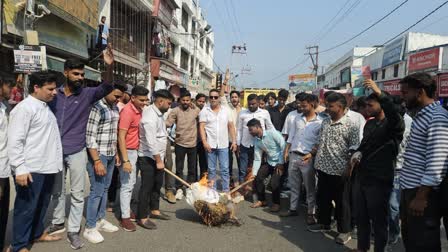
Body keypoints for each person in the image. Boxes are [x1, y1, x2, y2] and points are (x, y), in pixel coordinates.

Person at [48, 47, 115, 249]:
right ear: (66, 72)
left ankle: (73, 231)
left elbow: (106, 87)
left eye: (82, 74)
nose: (79, 77)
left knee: (77, 193)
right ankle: (58, 221)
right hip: (54, 151)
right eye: (76, 74)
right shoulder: (53, 94)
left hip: (77, 150)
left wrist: (109, 66)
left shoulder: (87, 94)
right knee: (57, 191)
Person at [8, 71, 63, 252]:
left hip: (48, 167)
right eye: (50, 89)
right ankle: (19, 245)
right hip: (31, 168)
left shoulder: (44, 106)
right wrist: (20, 168)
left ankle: (37, 234)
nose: (54, 93)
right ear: (36, 87)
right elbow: (15, 140)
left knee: (42, 204)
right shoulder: (24, 108)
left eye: (55, 89)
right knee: (26, 209)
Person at [349, 80, 404, 252]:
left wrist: (379, 92)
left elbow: (394, 115)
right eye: (365, 106)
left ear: (382, 104)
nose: (367, 109)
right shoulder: (370, 123)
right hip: (362, 177)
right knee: (362, 218)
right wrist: (357, 153)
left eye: (371, 105)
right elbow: (364, 145)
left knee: (379, 221)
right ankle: (362, 248)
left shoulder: (394, 124)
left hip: (379, 180)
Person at [399, 73, 448, 252]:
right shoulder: (421, 116)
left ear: (419, 92)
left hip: (421, 193)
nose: (402, 97)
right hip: (411, 189)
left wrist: (421, 197)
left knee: (423, 242)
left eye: (405, 92)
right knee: (411, 239)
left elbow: (437, 161)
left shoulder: (437, 117)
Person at [308, 93, 360, 245]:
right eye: (327, 105)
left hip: (340, 171)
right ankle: (324, 223)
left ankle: (345, 231)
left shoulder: (351, 125)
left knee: (342, 202)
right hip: (323, 168)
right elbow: (320, 141)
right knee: (323, 198)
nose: (327, 109)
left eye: (331, 106)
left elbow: (355, 148)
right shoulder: (325, 122)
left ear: (341, 107)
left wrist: (349, 167)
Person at [83, 84, 126, 243]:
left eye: (120, 96)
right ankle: (90, 227)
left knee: (106, 189)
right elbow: (89, 136)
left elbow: (112, 132)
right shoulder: (97, 107)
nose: (118, 99)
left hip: (110, 153)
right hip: (98, 155)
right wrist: (96, 160)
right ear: (107, 93)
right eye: (115, 96)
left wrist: (115, 152)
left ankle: (100, 220)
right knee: (97, 190)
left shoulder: (114, 108)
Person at [281, 94, 323, 225]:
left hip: (307, 158)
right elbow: (291, 136)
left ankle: (311, 213)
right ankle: (293, 209)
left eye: (304, 105)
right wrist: (286, 151)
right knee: (294, 185)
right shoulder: (297, 119)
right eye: (301, 105)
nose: (301, 108)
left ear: (312, 105)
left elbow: (319, 142)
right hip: (294, 155)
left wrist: (311, 154)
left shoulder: (320, 122)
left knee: (310, 187)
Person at [137, 89, 174, 229]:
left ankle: (154, 210)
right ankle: (142, 217)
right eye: (169, 103)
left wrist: (161, 158)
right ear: (160, 101)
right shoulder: (150, 117)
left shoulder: (159, 114)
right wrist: (158, 160)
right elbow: (151, 142)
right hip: (148, 158)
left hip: (158, 156)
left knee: (157, 184)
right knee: (146, 187)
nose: (169, 106)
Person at [117, 85, 149, 232]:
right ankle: (124, 218)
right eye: (141, 100)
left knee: (131, 183)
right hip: (128, 152)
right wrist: (125, 160)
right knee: (127, 185)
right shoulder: (127, 112)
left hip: (135, 151)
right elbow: (121, 137)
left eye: (145, 100)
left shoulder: (140, 110)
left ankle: (126, 209)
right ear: (133, 97)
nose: (144, 103)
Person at [199, 89, 237, 193]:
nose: (213, 99)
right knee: (211, 170)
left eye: (215, 97)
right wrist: (204, 142)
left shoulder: (226, 110)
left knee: (225, 169)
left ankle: (226, 191)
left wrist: (234, 141)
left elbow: (231, 126)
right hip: (210, 145)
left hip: (223, 145)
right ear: (209, 98)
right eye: (211, 97)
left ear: (219, 98)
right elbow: (201, 127)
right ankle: (212, 191)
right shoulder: (205, 111)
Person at [165, 90, 200, 202]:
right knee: (179, 168)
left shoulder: (196, 110)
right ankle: (179, 188)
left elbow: (203, 123)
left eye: (187, 100)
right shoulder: (175, 111)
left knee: (192, 168)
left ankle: (190, 188)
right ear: (180, 100)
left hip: (193, 143)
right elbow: (168, 123)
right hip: (180, 143)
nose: (185, 102)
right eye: (183, 100)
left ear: (191, 100)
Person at [388, 99, 413, 245]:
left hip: (399, 170)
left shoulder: (410, 126)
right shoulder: (384, 124)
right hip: (384, 169)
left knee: (393, 205)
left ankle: (394, 232)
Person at [237, 94, 274, 188]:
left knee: (256, 169)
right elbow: (239, 130)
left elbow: (270, 127)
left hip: (259, 145)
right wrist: (237, 144)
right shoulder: (242, 113)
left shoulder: (264, 113)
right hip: (244, 145)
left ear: (258, 103)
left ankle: (255, 189)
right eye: (249, 104)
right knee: (243, 169)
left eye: (253, 104)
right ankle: (242, 189)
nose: (251, 106)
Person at [248, 119, 285, 211]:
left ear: (257, 127)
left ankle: (276, 203)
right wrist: (254, 173)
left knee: (274, 183)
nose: (250, 132)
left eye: (251, 130)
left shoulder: (272, 133)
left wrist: (281, 163)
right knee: (259, 177)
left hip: (280, 162)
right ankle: (262, 200)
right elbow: (257, 158)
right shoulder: (256, 141)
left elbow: (283, 147)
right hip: (270, 162)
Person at [220, 74, 242, 187]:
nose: (234, 99)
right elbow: (221, 95)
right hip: (228, 140)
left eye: (235, 97)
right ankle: (229, 182)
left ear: (239, 98)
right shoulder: (226, 107)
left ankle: (243, 184)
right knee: (227, 163)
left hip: (240, 142)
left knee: (241, 164)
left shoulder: (244, 111)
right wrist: (225, 81)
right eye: (232, 97)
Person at [0, 78, 12, 251]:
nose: (11, 89)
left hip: (4, 170)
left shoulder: (3, 107)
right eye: (8, 86)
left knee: (3, 214)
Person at [195, 93, 208, 177]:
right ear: (196, 101)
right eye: (199, 101)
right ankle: (193, 181)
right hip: (193, 140)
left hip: (203, 140)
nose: (201, 103)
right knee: (193, 163)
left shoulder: (207, 111)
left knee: (203, 162)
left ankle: (203, 181)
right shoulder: (192, 110)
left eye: (203, 101)